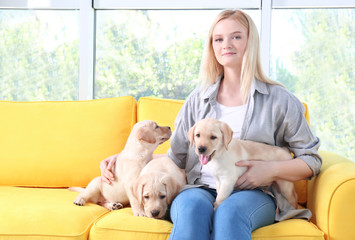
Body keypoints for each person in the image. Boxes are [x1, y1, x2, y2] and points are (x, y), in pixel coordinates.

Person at [100, 9, 321, 240]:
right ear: (212, 46)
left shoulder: (280, 100)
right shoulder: (197, 100)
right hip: (198, 189)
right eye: (219, 39)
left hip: (254, 193)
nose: (226, 44)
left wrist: (270, 170)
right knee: (191, 210)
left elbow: (311, 160)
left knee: (229, 213)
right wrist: (123, 158)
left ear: (251, 41)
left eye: (236, 36)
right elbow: (177, 156)